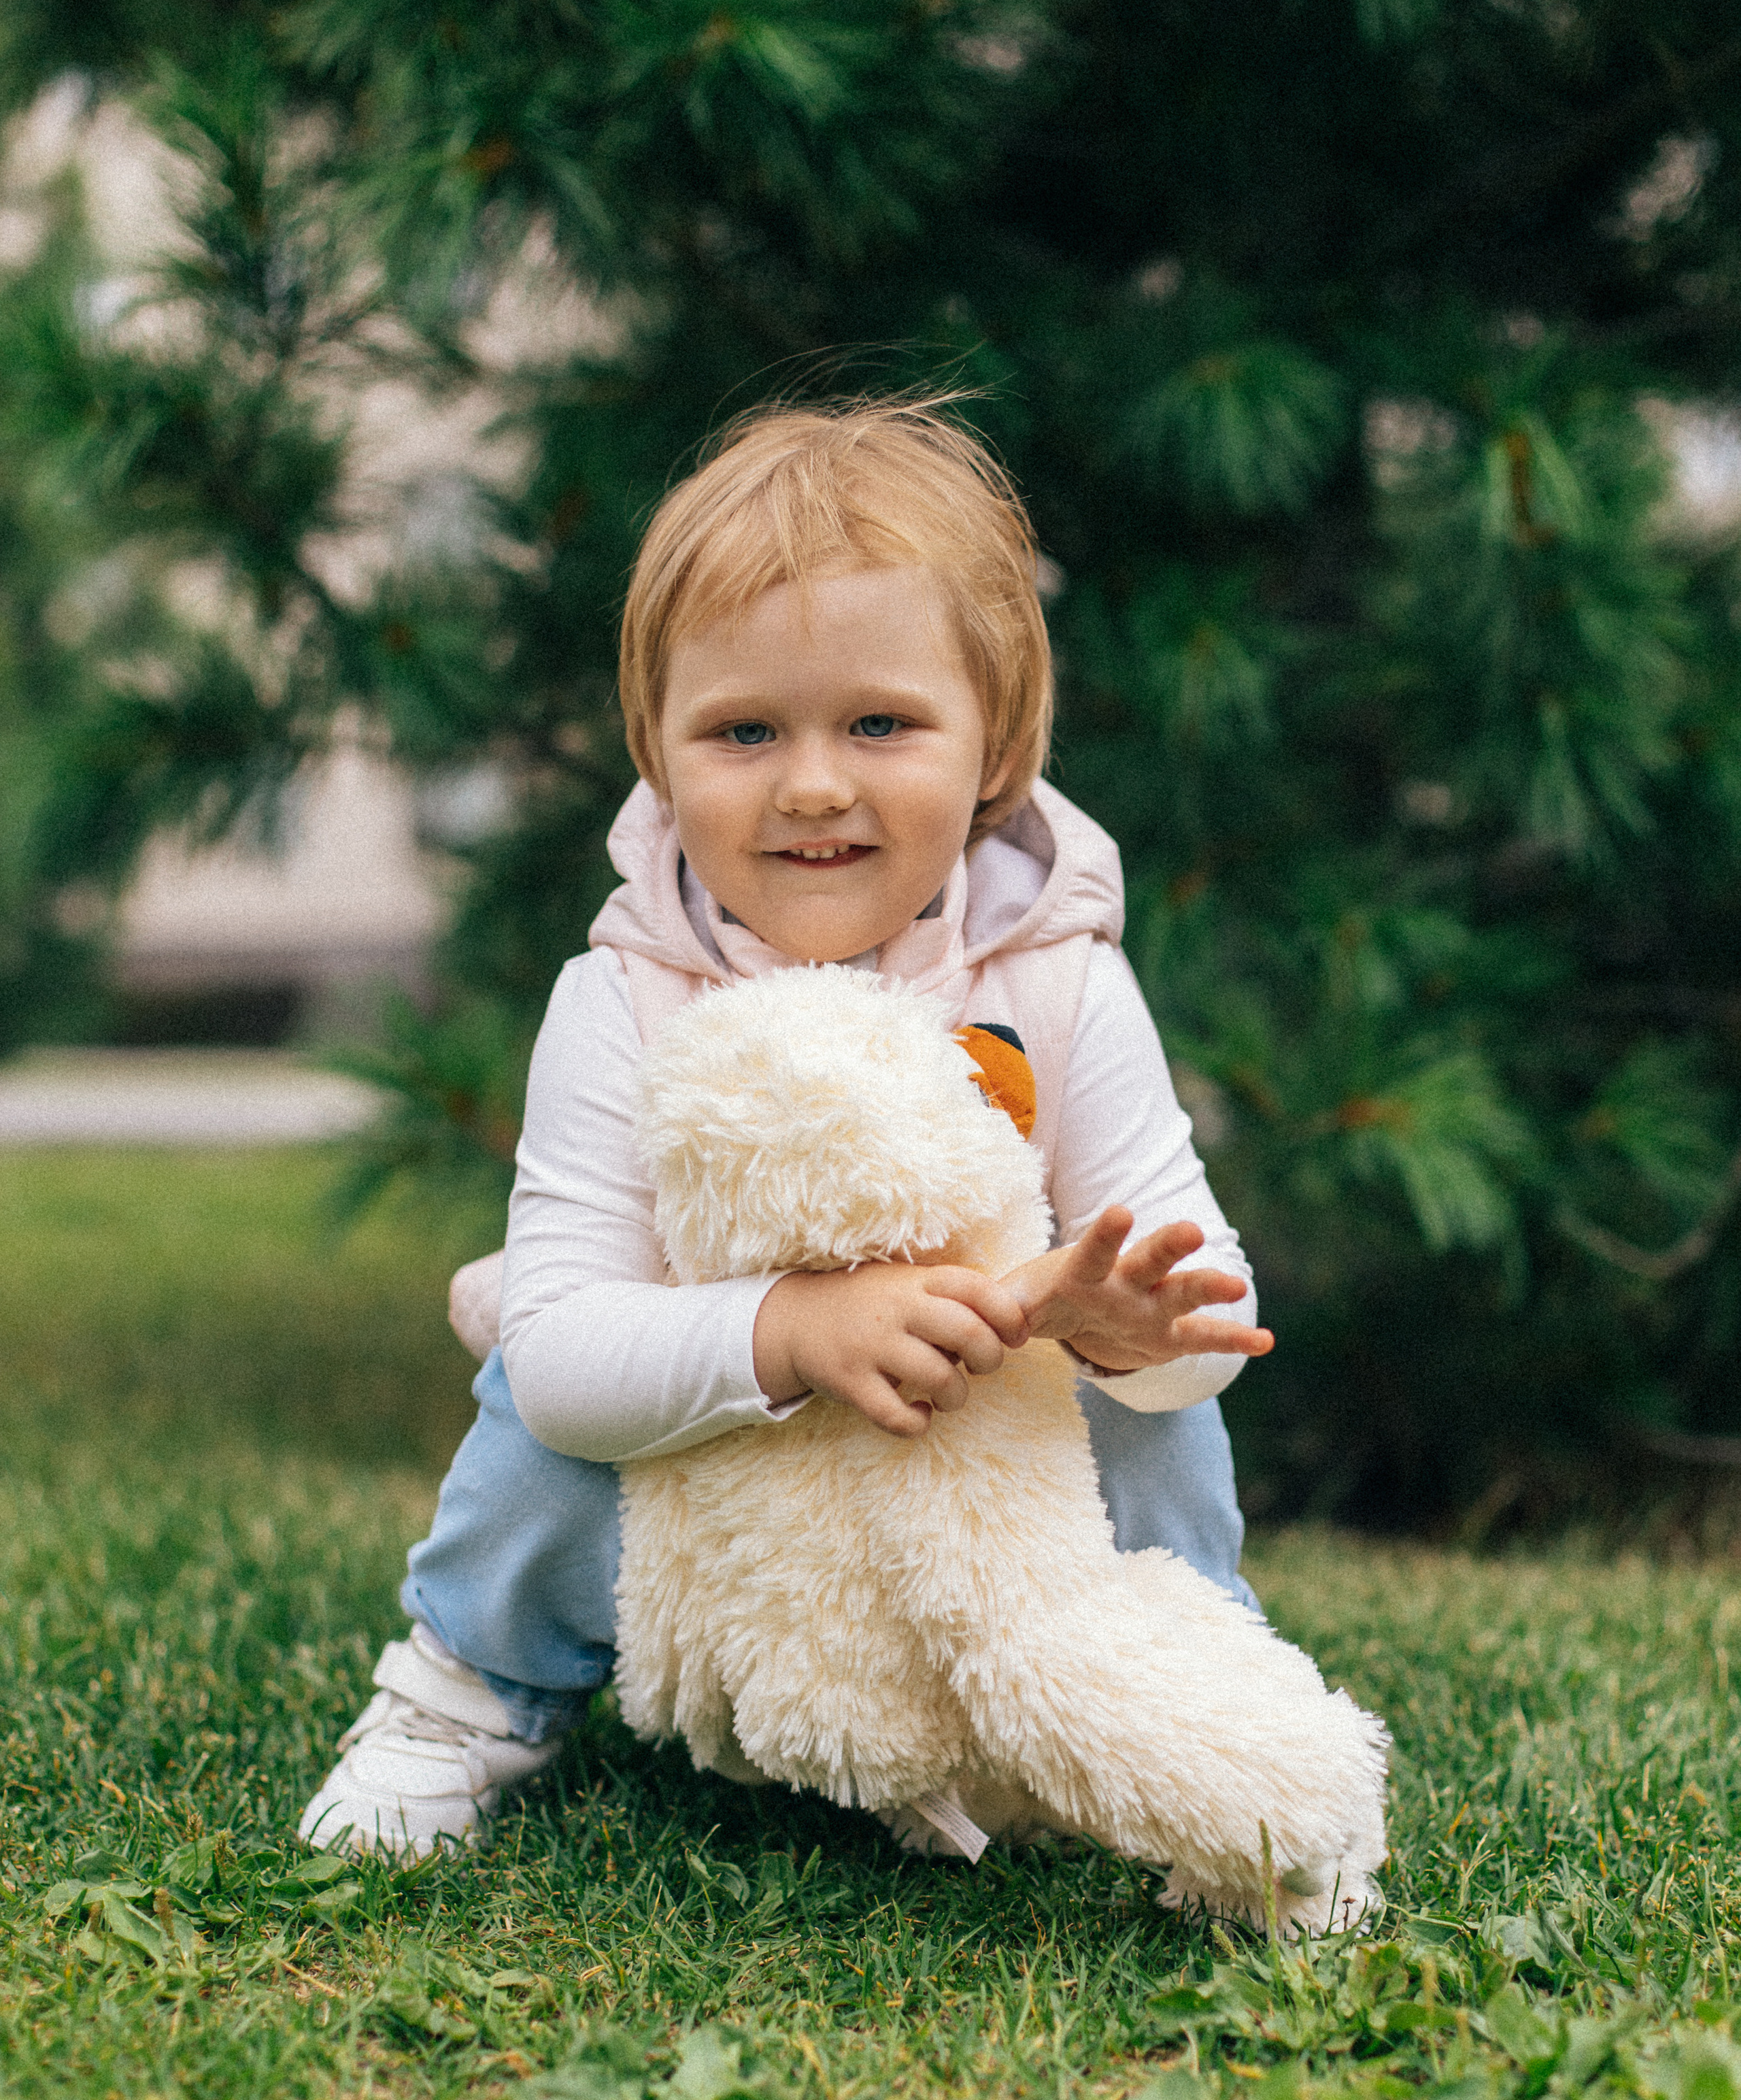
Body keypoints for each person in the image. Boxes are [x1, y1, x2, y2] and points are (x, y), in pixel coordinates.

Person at [299, 397, 1273, 1859]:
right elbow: (564, 1356)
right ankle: (469, 1692)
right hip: (721, 1430)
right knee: (529, 1400)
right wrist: (796, 1330)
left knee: (1152, 1415)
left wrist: (1130, 1331)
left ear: (996, 745)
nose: (814, 785)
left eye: (880, 724)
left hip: (974, 1422)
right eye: (744, 730)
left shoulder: (1062, 983)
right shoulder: (622, 1000)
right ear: (657, 750)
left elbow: (1214, 1300)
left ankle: (1199, 1693)